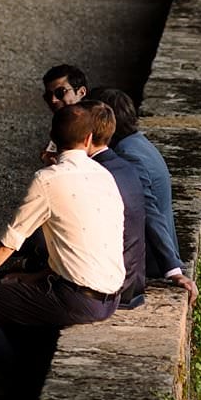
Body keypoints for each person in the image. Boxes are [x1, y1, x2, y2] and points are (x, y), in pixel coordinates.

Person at [0, 104, 125, 400]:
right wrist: (34, 276)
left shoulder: (47, 179)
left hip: (76, 300)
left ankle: (9, 373)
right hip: (111, 295)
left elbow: (9, 243)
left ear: (53, 136)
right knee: (9, 289)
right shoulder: (104, 175)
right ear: (89, 138)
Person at [90, 88, 198, 304]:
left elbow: (148, 211)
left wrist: (172, 269)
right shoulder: (137, 143)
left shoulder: (127, 155)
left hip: (147, 259)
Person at [78, 99, 148, 310]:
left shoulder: (95, 173)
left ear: (86, 136)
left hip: (113, 286)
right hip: (133, 280)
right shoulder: (123, 166)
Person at [39, 64, 88, 164]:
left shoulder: (97, 123)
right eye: (48, 95)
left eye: (60, 92)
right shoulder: (61, 124)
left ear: (81, 92)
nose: (53, 100)